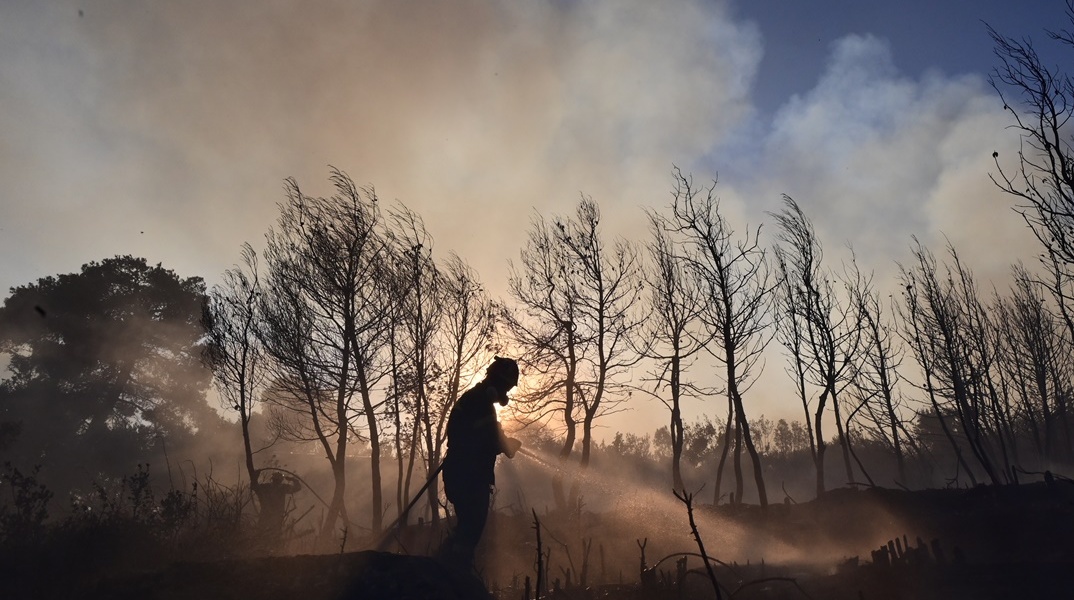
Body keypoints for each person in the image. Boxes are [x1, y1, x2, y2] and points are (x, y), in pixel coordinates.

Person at [440, 356, 522, 566]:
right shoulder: (480, 402)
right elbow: (485, 440)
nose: (507, 394)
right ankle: (456, 570)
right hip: (470, 476)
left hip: (460, 472)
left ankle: (445, 565)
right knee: (471, 527)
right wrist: (506, 445)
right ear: (498, 382)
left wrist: (503, 442)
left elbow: (485, 435)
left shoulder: (475, 400)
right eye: (506, 388)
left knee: (467, 526)